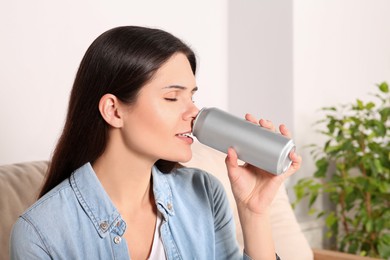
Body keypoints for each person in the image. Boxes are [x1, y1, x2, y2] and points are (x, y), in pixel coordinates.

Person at [10, 26, 301, 260]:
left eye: (192, 96)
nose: (193, 112)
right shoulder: (41, 233)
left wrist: (254, 212)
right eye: (172, 97)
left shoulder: (205, 193)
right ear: (114, 110)